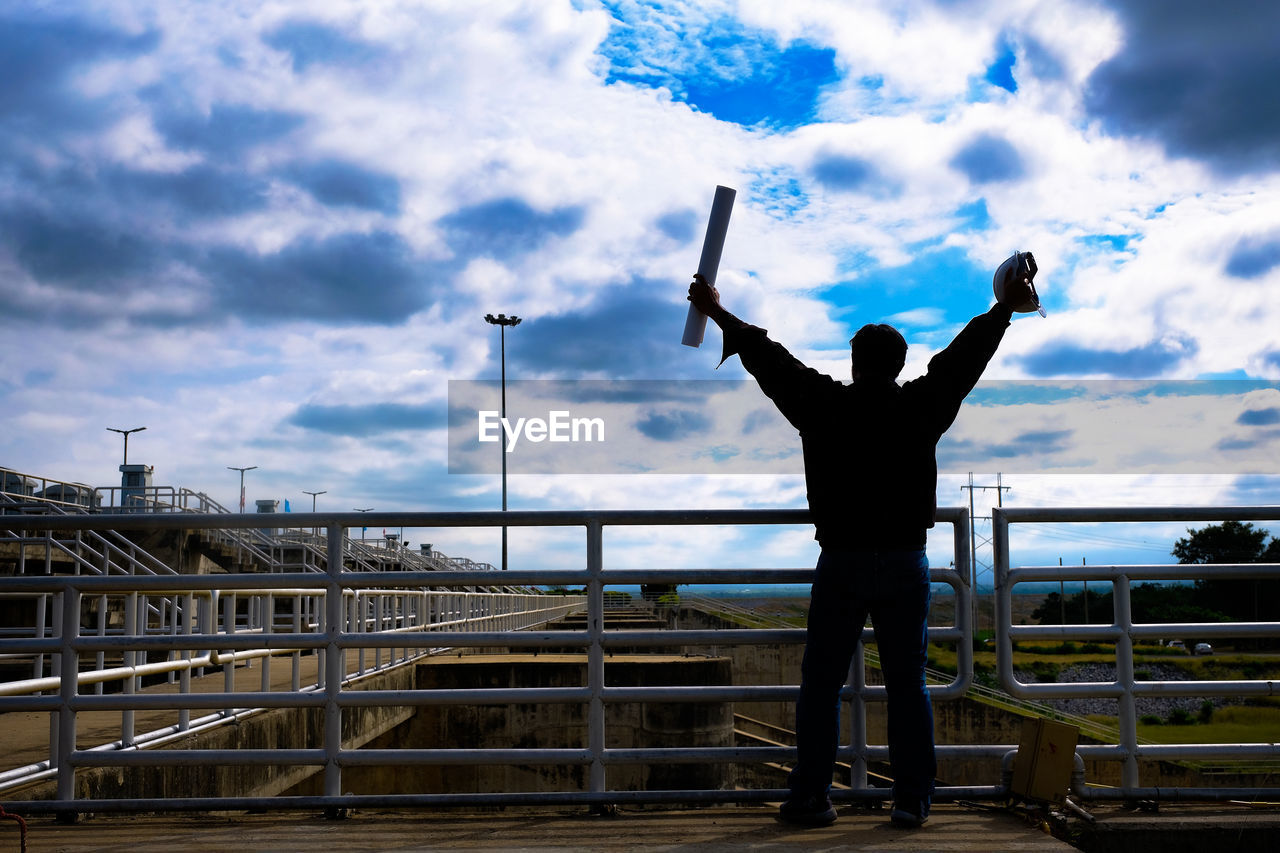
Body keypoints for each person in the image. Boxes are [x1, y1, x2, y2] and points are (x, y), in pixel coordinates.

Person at [687, 268, 1033, 828]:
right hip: (904, 559)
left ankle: (811, 796)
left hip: (842, 560)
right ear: (899, 364)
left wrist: (716, 309)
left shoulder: (821, 404)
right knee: (907, 683)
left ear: (854, 362)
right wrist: (1002, 310)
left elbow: (764, 354)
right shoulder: (922, 406)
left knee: (821, 685)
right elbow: (961, 361)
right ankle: (911, 799)